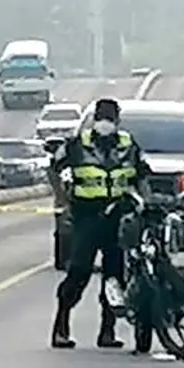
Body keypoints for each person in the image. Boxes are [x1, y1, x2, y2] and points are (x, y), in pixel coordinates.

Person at [48, 98, 151, 350]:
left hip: (118, 217)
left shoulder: (128, 145)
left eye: (110, 118)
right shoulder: (77, 144)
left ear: (117, 121)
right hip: (87, 217)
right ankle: (61, 327)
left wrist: (144, 203)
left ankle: (107, 332)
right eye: (102, 118)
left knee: (114, 276)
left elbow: (141, 175)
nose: (106, 123)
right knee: (79, 272)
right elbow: (54, 167)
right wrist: (61, 199)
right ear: (95, 120)